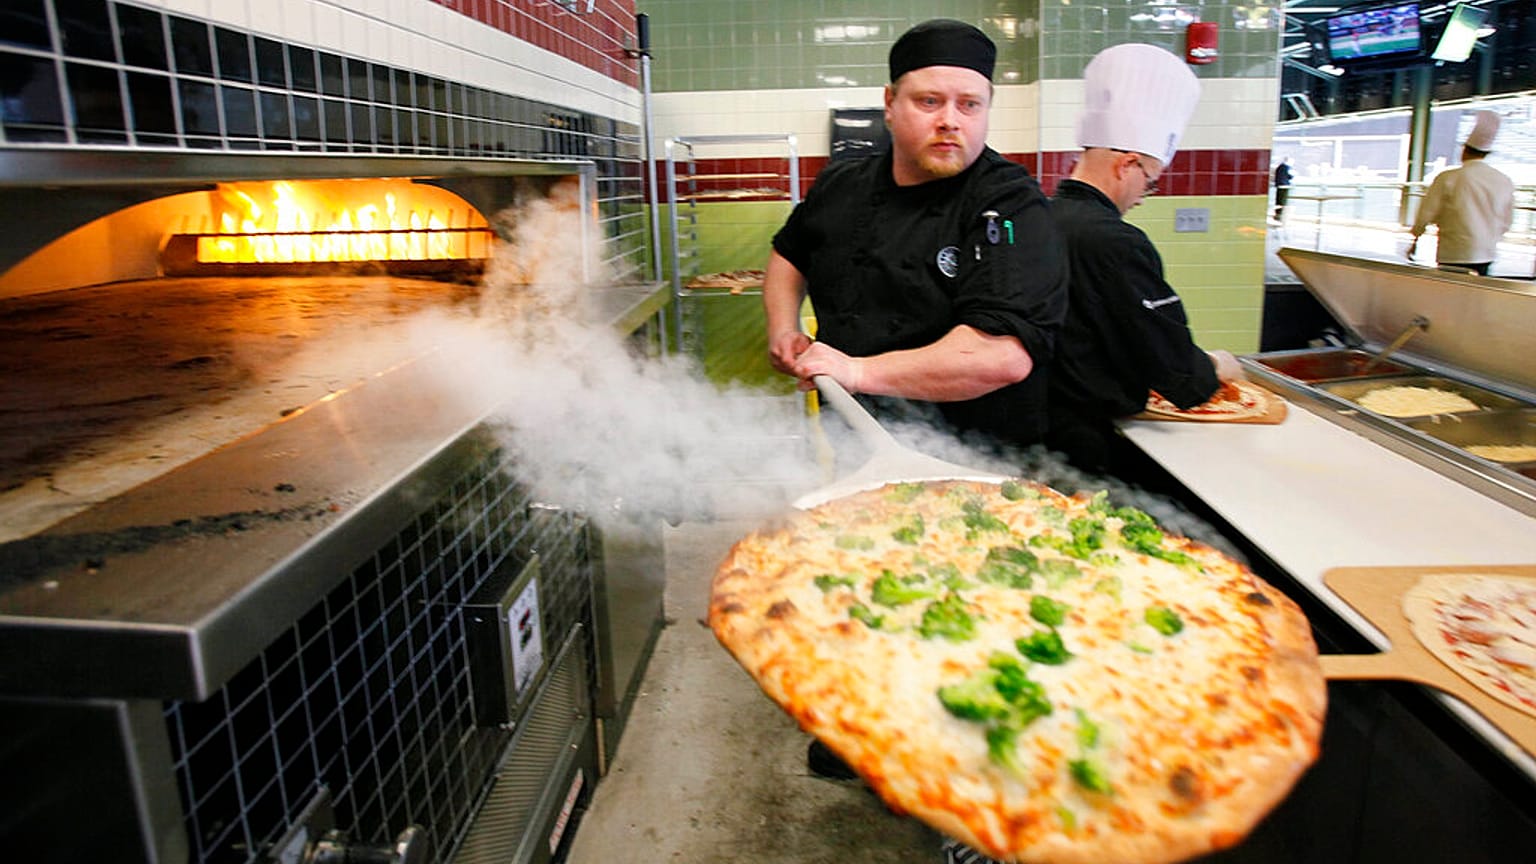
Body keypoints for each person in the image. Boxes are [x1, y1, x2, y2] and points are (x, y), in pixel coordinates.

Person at [763, 18, 1068, 454]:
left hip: (978, 460)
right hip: (856, 439)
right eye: (930, 101)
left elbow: (1001, 356)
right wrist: (782, 329)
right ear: (889, 103)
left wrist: (858, 372)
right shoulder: (842, 183)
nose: (950, 121)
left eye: (969, 105)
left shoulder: (1011, 203)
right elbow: (788, 255)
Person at [1045, 43, 1245, 480]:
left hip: (1033, 434)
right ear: (1128, 164)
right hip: (1089, 444)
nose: (1142, 197)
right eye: (1150, 183)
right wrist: (1216, 367)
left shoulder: (1036, 216)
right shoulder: (1116, 241)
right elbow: (1178, 375)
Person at [1408, 110, 1514, 276]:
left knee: (1450, 295)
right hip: (1486, 254)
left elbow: (1426, 212)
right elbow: (1507, 222)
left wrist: (1416, 237)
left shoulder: (1448, 177)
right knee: (1477, 296)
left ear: (1464, 150)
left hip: (1453, 253)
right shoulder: (1504, 181)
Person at [1272, 157, 1293, 222]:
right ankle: (1281, 216)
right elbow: (1290, 176)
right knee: (1283, 201)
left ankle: (1277, 215)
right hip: (1285, 186)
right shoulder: (1287, 167)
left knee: (1278, 200)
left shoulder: (1279, 167)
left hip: (1279, 185)